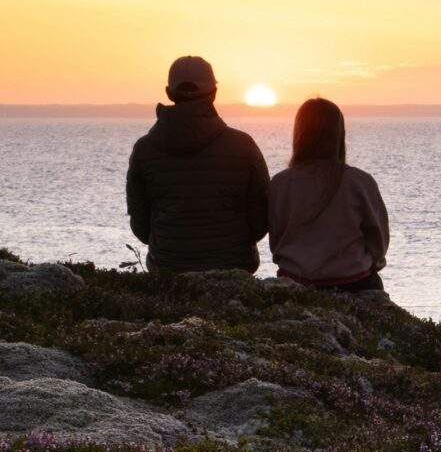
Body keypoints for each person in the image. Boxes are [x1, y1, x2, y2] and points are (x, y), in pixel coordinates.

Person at [124, 55, 270, 273]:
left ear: (169, 93)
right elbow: (261, 220)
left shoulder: (144, 149)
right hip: (233, 269)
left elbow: (141, 226)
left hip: (167, 270)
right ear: (214, 93)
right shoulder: (243, 146)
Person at [266, 97, 390, 291]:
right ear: (339, 135)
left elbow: (276, 239)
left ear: (299, 134)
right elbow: (379, 242)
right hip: (353, 282)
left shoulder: (280, 183)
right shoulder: (359, 182)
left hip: (294, 282)